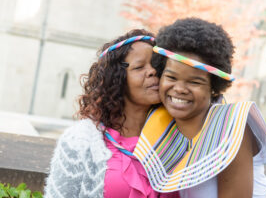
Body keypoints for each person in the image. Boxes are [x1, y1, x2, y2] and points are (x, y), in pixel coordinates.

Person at [133, 18, 266, 198]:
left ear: (214, 87)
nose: (180, 89)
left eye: (194, 82)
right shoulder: (159, 120)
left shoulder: (230, 128)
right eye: (171, 78)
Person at [44, 29, 179, 198]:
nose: (152, 72)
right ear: (117, 78)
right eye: (139, 67)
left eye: (157, 65)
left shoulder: (178, 137)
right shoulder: (82, 140)